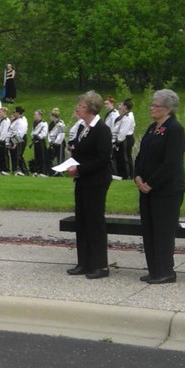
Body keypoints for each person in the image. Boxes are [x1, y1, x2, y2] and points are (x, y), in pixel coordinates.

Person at [134, 89, 185, 284]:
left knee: (163, 232)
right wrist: (138, 176)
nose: (152, 108)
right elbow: (141, 156)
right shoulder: (151, 128)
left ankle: (166, 271)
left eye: (156, 105)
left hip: (166, 191)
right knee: (149, 231)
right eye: (152, 104)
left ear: (168, 109)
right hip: (145, 189)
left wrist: (151, 183)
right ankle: (154, 269)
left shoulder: (175, 129)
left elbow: (171, 163)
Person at [65, 91, 113, 280]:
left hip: (96, 180)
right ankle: (83, 262)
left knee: (94, 221)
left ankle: (100, 265)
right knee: (82, 221)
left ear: (92, 108)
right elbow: (81, 152)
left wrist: (80, 168)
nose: (78, 109)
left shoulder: (101, 129)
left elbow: (102, 159)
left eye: (82, 106)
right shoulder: (81, 128)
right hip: (82, 179)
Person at [114, 99, 136, 180]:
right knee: (121, 157)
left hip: (126, 138)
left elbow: (123, 131)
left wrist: (118, 141)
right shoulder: (125, 116)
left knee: (125, 157)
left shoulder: (127, 117)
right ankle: (122, 174)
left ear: (125, 107)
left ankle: (128, 175)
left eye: (122, 105)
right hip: (124, 138)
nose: (120, 106)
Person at [31, 109, 49, 176]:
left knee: (42, 156)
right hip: (35, 141)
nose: (34, 116)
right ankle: (37, 171)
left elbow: (44, 133)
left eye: (35, 115)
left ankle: (43, 171)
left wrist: (38, 136)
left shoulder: (44, 123)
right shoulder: (34, 123)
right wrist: (33, 136)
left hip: (41, 141)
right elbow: (33, 131)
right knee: (37, 156)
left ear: (40, 115)